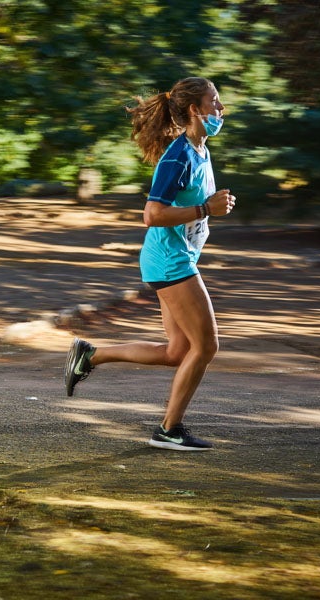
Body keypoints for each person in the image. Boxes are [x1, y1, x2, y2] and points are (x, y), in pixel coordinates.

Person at [64, 77, 235, 451]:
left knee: (177, 352)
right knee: (206, 347)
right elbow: (152, 214)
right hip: (170, 262)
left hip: (175, 259)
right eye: (216, 102)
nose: (221, 109)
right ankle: (169, 430)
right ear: (195, 109)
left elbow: (186, 210)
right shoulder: (179, 155)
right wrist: (207, 208)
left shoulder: (200, 150)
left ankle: (90, 355)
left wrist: (211, 207)